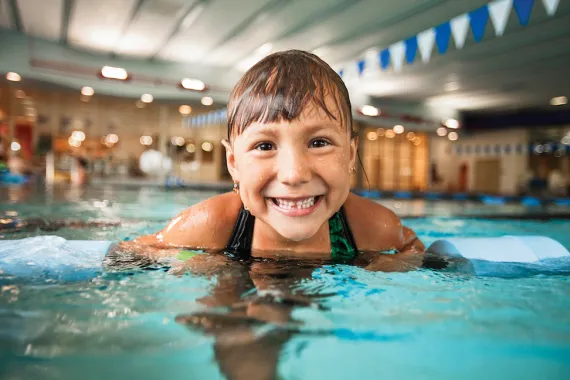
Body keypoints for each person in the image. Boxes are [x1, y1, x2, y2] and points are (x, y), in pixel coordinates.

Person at [108, 50, 425, 272]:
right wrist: (194, 261)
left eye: (318, 143)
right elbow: (129, 253)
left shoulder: (369, 226)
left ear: (351, 154)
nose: (294, 174)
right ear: (233, 162)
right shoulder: (212, 224)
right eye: (264, 145)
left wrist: (390, 265)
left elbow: (413, 248)